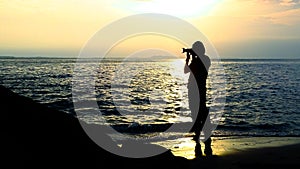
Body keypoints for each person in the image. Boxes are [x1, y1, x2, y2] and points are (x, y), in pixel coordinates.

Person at [183, 41, 212, 156]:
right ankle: (201, 137)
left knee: (200, 114)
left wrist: (192, 58)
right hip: (196, 91)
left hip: (198, 91)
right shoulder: (200, 59)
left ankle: (202, 137)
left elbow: (189, 70)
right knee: (197, 114)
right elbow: (186, 71)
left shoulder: (204, 59)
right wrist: (188, 58)